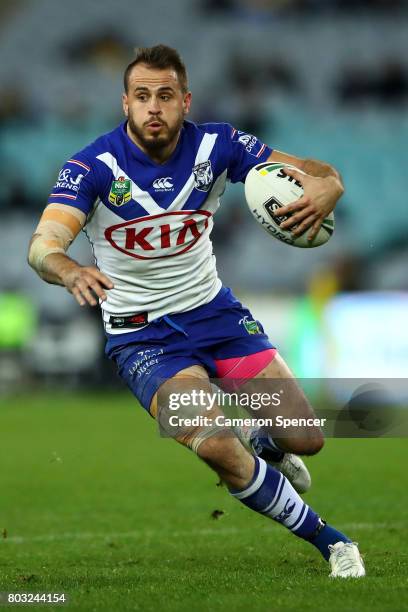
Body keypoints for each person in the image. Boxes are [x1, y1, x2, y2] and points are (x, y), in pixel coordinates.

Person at [28, 44, 365, 578]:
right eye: (142, 96)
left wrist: (330, 183)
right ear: (125, 104)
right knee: (218, 448)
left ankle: (268, 444)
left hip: (216, 316)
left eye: (165, 95)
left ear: (186, 101)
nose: (153, 107)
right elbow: (43, 243)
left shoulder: (220, 144)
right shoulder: (93, 166)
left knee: (307, 438)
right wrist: (68, 269)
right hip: (144, 340)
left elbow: (309, 169)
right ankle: (332, 543)